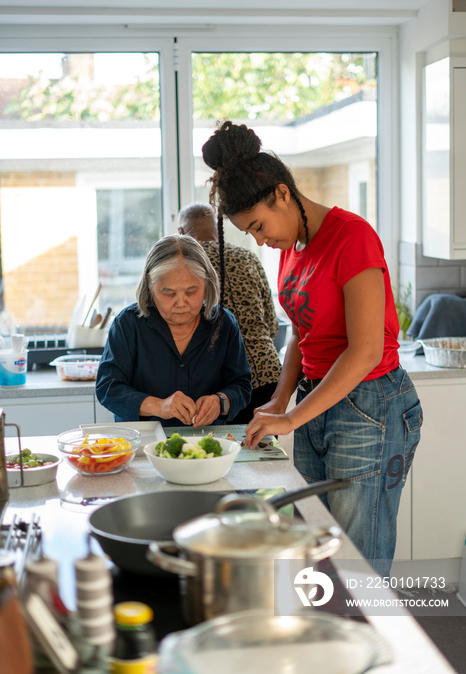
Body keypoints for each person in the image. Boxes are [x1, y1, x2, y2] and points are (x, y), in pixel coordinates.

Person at [202, 120, 423, 572]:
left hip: (371, 406)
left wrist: (292, 417)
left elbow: (363, 351)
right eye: (251, 234)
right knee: (318, 550)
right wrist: (281, 399)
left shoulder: (351, 237)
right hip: (318, 401)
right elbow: (304, 335)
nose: (261, 241)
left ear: (283, 193)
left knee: (358, 562)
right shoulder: (294, 245)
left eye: (260, 226)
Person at [96, 234, 252, 427]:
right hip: (143, 441)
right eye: (168, 293)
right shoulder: (128, 324)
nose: (181, 303)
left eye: (191, 292)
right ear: (150, 284)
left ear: (206, 282)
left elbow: (242, 385)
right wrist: (158, 406)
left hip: (207, 443)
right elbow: (108, 388)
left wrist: (219, 402)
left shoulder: (224, 323)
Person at [178, 202, 282, 423]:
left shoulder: (186, 264)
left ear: (181, 232)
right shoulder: (248, 257)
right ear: (217, 227)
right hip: (267, 371)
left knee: (217, 450)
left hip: (221, 380)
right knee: (259, 451)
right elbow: (272, 325)